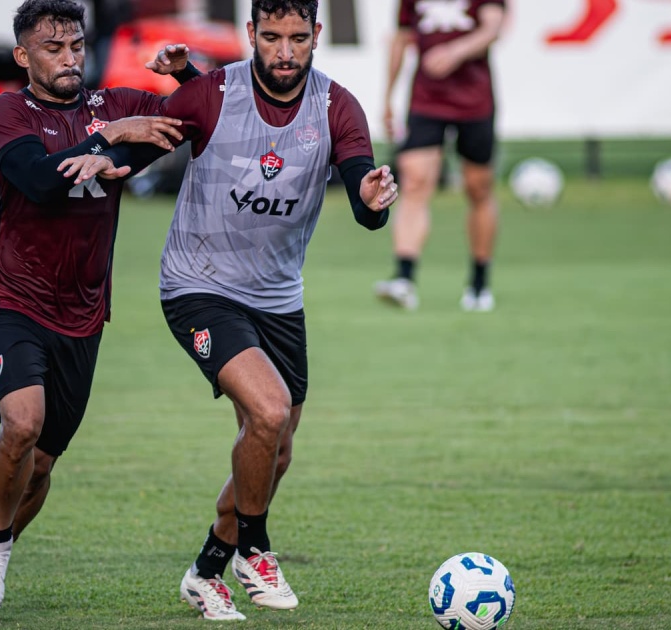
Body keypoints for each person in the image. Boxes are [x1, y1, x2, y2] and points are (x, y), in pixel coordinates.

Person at [137, 0, 399, 620]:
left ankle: (207, 571)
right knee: (269, 409)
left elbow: (366, 198)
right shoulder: (210, 92)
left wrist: (371, 197)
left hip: (278, 298)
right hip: (198, 285)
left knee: (275, 449)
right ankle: (255, 550)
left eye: (298, 38)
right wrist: (100, 157)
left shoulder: (337, 107)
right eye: (273, 37)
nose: (285, 52)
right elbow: (138, 147)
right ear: (251, 33)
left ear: (316, 36)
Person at [0, 0, 190, 620]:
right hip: (13, 300)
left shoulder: (109, 104)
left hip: (83, 313)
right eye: (53, 48)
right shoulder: (5, 112)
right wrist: (110, 138)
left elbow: (190, 118)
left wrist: (184, 77)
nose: (69, 59)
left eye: (77, 46)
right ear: (22, 56)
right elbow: (39, 179)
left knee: (44, 463)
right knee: (22, 425)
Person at [373, 0, 506, 312]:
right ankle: (404, 278)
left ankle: (478, 281)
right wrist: (388, 97)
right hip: (426, 100)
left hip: (475, 101)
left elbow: (493, 29)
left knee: (478, 188)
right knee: (415, 181)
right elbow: (401, 38)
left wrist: (454, 52)